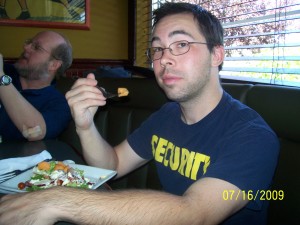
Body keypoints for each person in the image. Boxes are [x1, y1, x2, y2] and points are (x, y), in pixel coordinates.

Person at [0, 2, 279, 225]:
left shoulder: (252, 137)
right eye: (157, 49)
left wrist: (56, 200)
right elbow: (113, 165)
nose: (163, 58)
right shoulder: (167, 115)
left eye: (181, 44)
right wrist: (85, 126)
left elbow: (195, 213)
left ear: (216, 55)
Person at [0, 30, 72, 141]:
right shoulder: (6, 70)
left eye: (37, 47)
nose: (26, 47)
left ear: (53, 65)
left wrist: (1, 78)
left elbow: (35, 132)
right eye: (29, 43)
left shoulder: (59, 104)